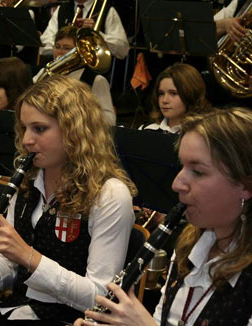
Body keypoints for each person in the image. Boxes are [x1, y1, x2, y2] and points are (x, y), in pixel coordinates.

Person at [0, 75, 136, 325]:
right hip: (16, 309)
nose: (26, 140)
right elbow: (11, 266)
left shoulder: (109, 195)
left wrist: (28, 256)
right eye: (24, 128)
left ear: (74, 130)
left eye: (39, 129)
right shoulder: (26, 182)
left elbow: (98, 297)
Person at [75, 107, 252, 326]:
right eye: (182, 166)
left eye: (198, 172)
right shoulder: (189, 244)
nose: (176, 184)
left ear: (245, 185)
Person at [41, 0, 129, 60]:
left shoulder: (107, 11)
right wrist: (63, 46)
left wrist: (97, 35)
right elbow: (44, 44)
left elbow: (122, 49)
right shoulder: (61, 10)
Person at [34, 25, 116, 125]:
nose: (59, 52)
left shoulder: (97, 80)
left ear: (81, 50)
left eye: (66, 48)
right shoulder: (45, 72)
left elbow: (110, 119)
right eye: (57, 47)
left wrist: (82, 113)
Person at [141, 63, 210, 133]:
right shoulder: (145, 130)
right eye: (161, 93)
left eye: (173, 93)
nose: (164, 100)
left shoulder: (205, 134)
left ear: (191, 95)